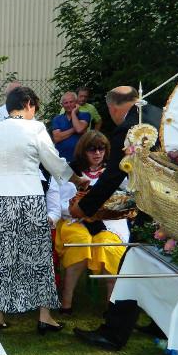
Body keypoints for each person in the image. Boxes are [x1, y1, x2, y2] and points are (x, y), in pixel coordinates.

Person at [0, 86, 89, 334]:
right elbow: (54, 163)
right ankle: (45, 316)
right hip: (30, 198)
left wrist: (0, 175)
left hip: (0, 200)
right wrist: (77, 180)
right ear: (27, 104)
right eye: (34, 106)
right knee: (38, 258)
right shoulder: (35, 128)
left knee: (0, 258)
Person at [70, 86, 163, 351]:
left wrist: (84, 207)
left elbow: (112, 177)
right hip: (171, 206)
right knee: (162, 266)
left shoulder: (130, 129)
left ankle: (113, 334)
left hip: (153, 208)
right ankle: (161, 323)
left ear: (112, 107)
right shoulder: (159, 114)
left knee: (131, 267)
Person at [51, 130, 129, 314]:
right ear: (83, 151)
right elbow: (58, 203)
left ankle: (111, 306)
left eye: (101, 149)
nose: (97, 153)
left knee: (109, 247)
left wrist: (106, 209)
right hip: (74, 221)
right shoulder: (69, 172)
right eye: (92, 149)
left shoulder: (115, 172)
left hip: (109, 223)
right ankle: (66, 302)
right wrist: (74, 208)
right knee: (80, 243)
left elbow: (127, 199)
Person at [52, 91, 91, 162]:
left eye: (71, 102)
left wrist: (73, 113)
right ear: (62, 105)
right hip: (61, 158)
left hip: (79, 157)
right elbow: (57, 138)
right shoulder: (57, 119)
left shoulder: (85, 115)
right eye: (66, 103)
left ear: (76, 102)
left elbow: (79, 129)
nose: (69, 105)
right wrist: (74, 129)